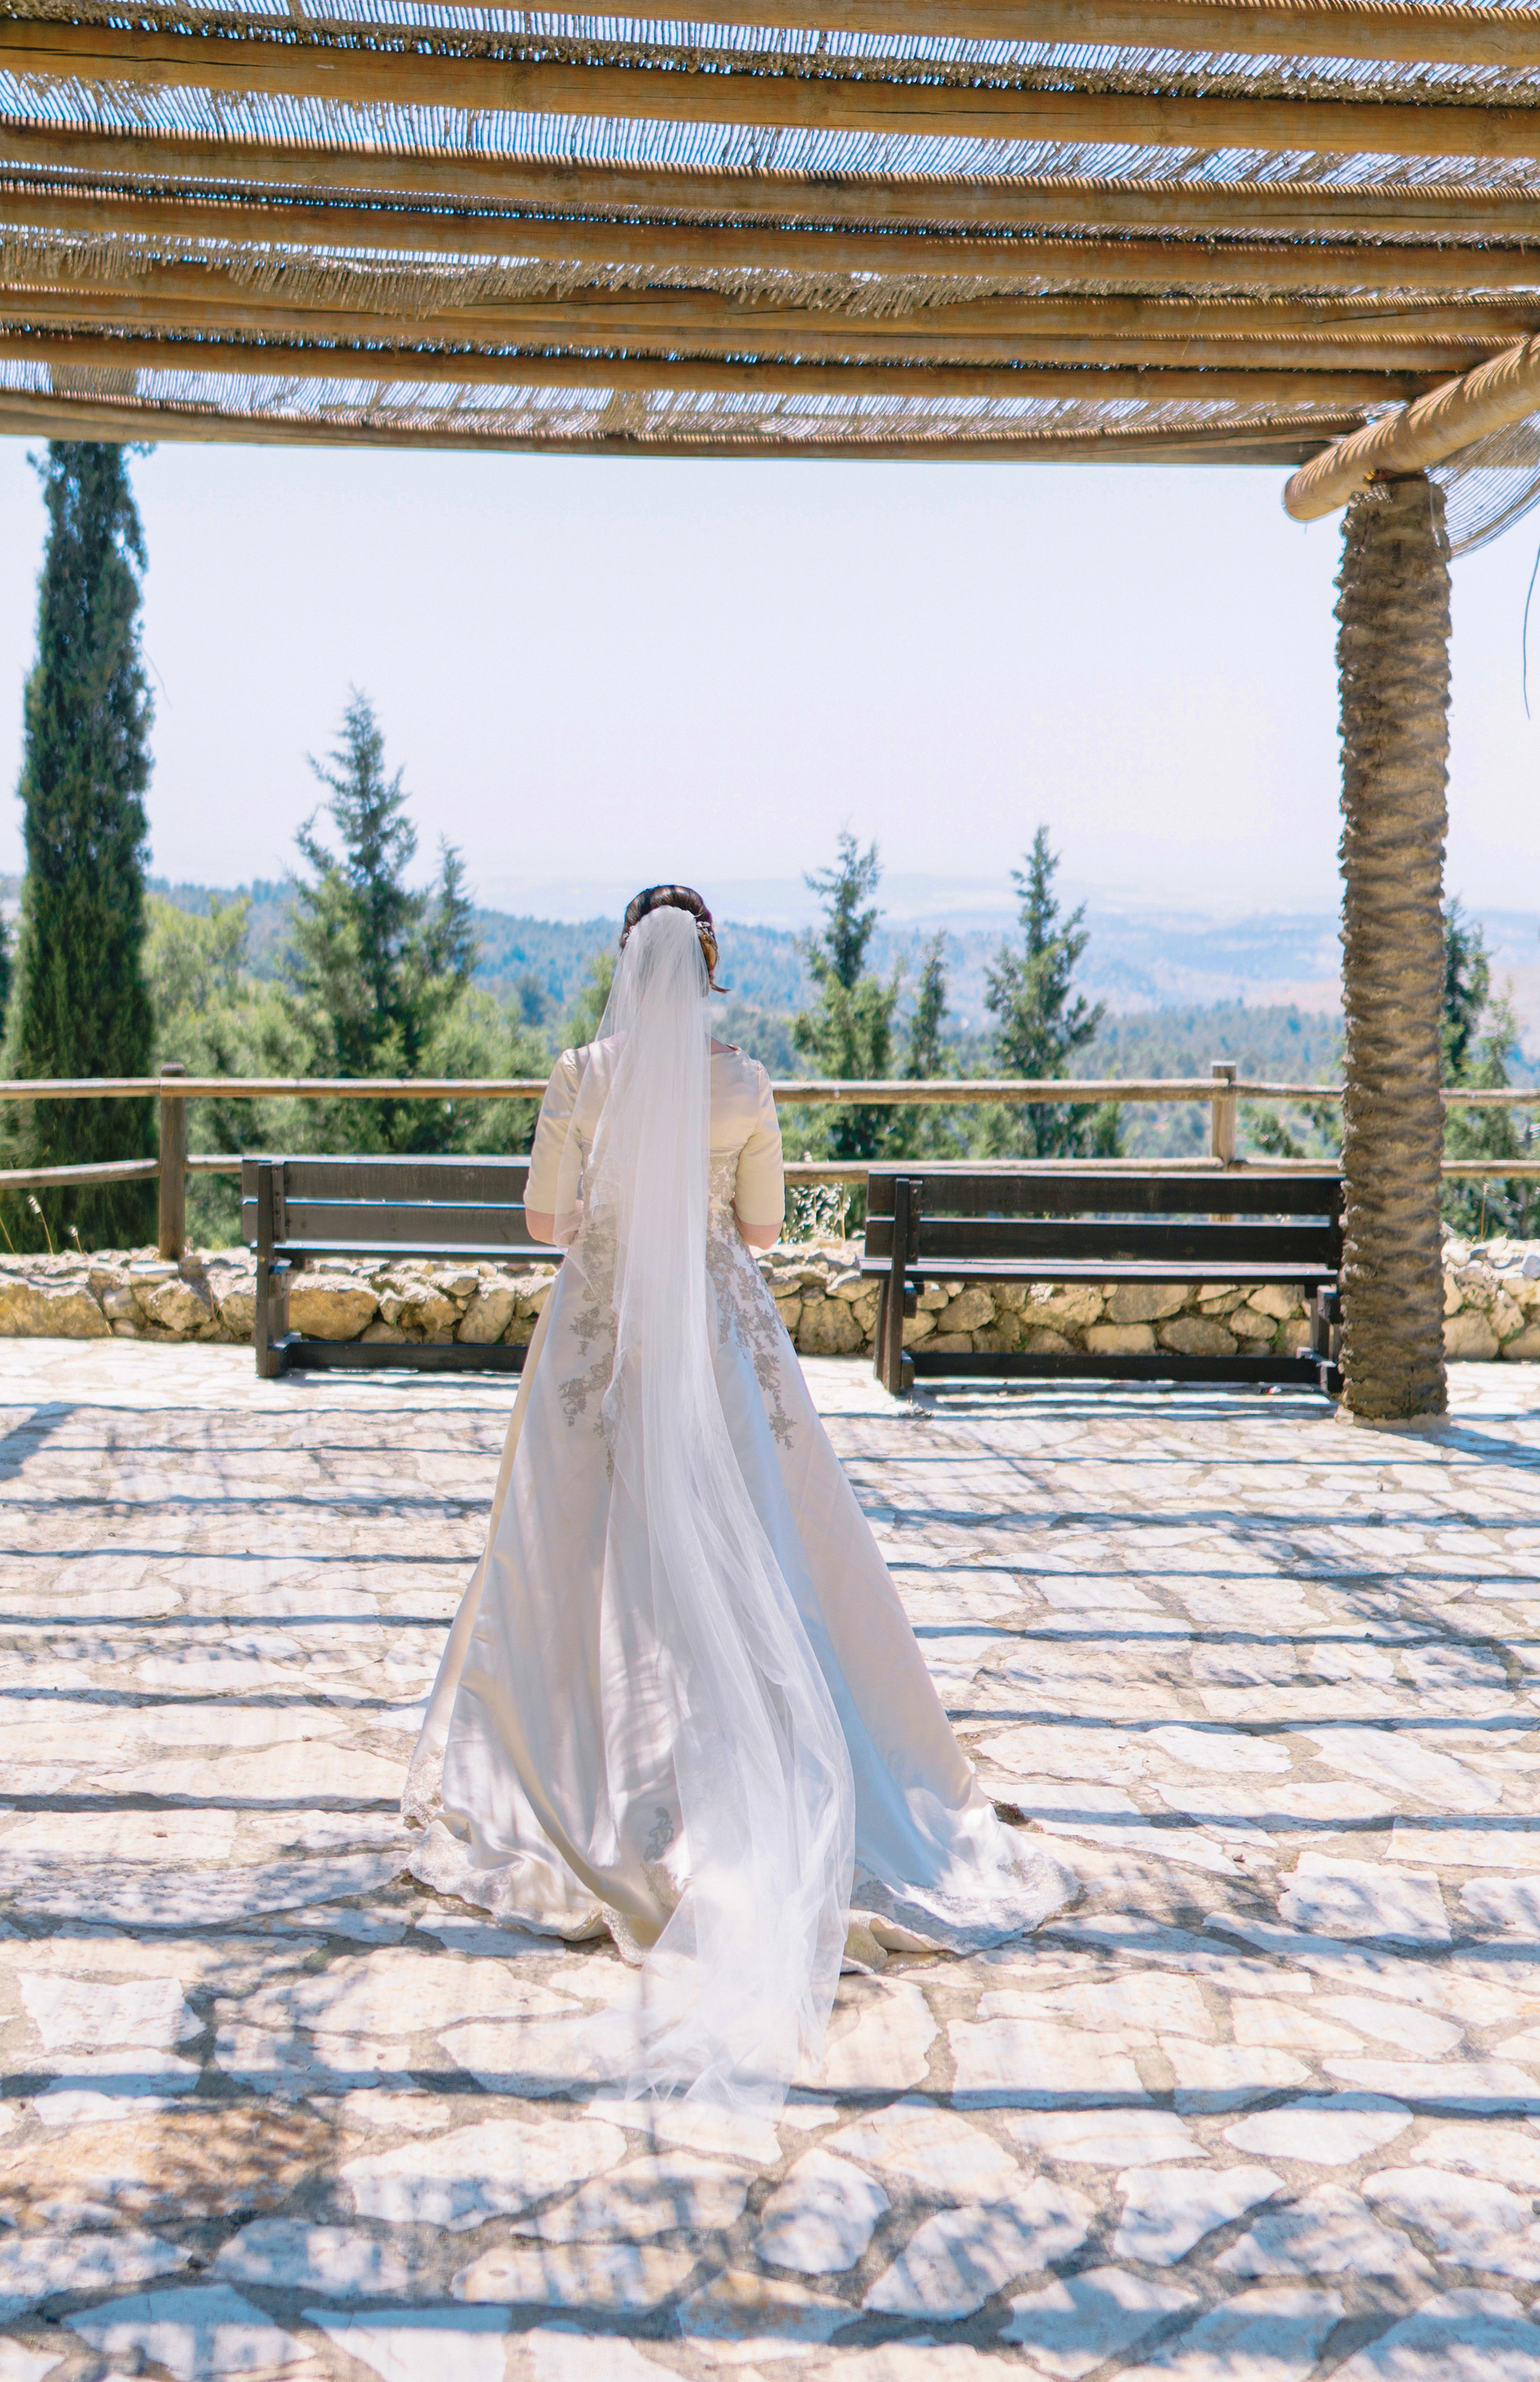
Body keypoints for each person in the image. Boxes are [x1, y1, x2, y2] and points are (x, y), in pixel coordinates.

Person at [405, 884, 1061, 2108]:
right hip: (716, 1334)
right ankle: (771, 1775)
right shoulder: (746, 1085)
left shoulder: (578, 1075)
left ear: (622, 967)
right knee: (763, 1545)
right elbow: (759, 1231)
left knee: (581, 1558)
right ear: (706, 970)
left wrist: (614, 1218)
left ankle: (584, 1783)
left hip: (601, 1342)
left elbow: (545, 1219)